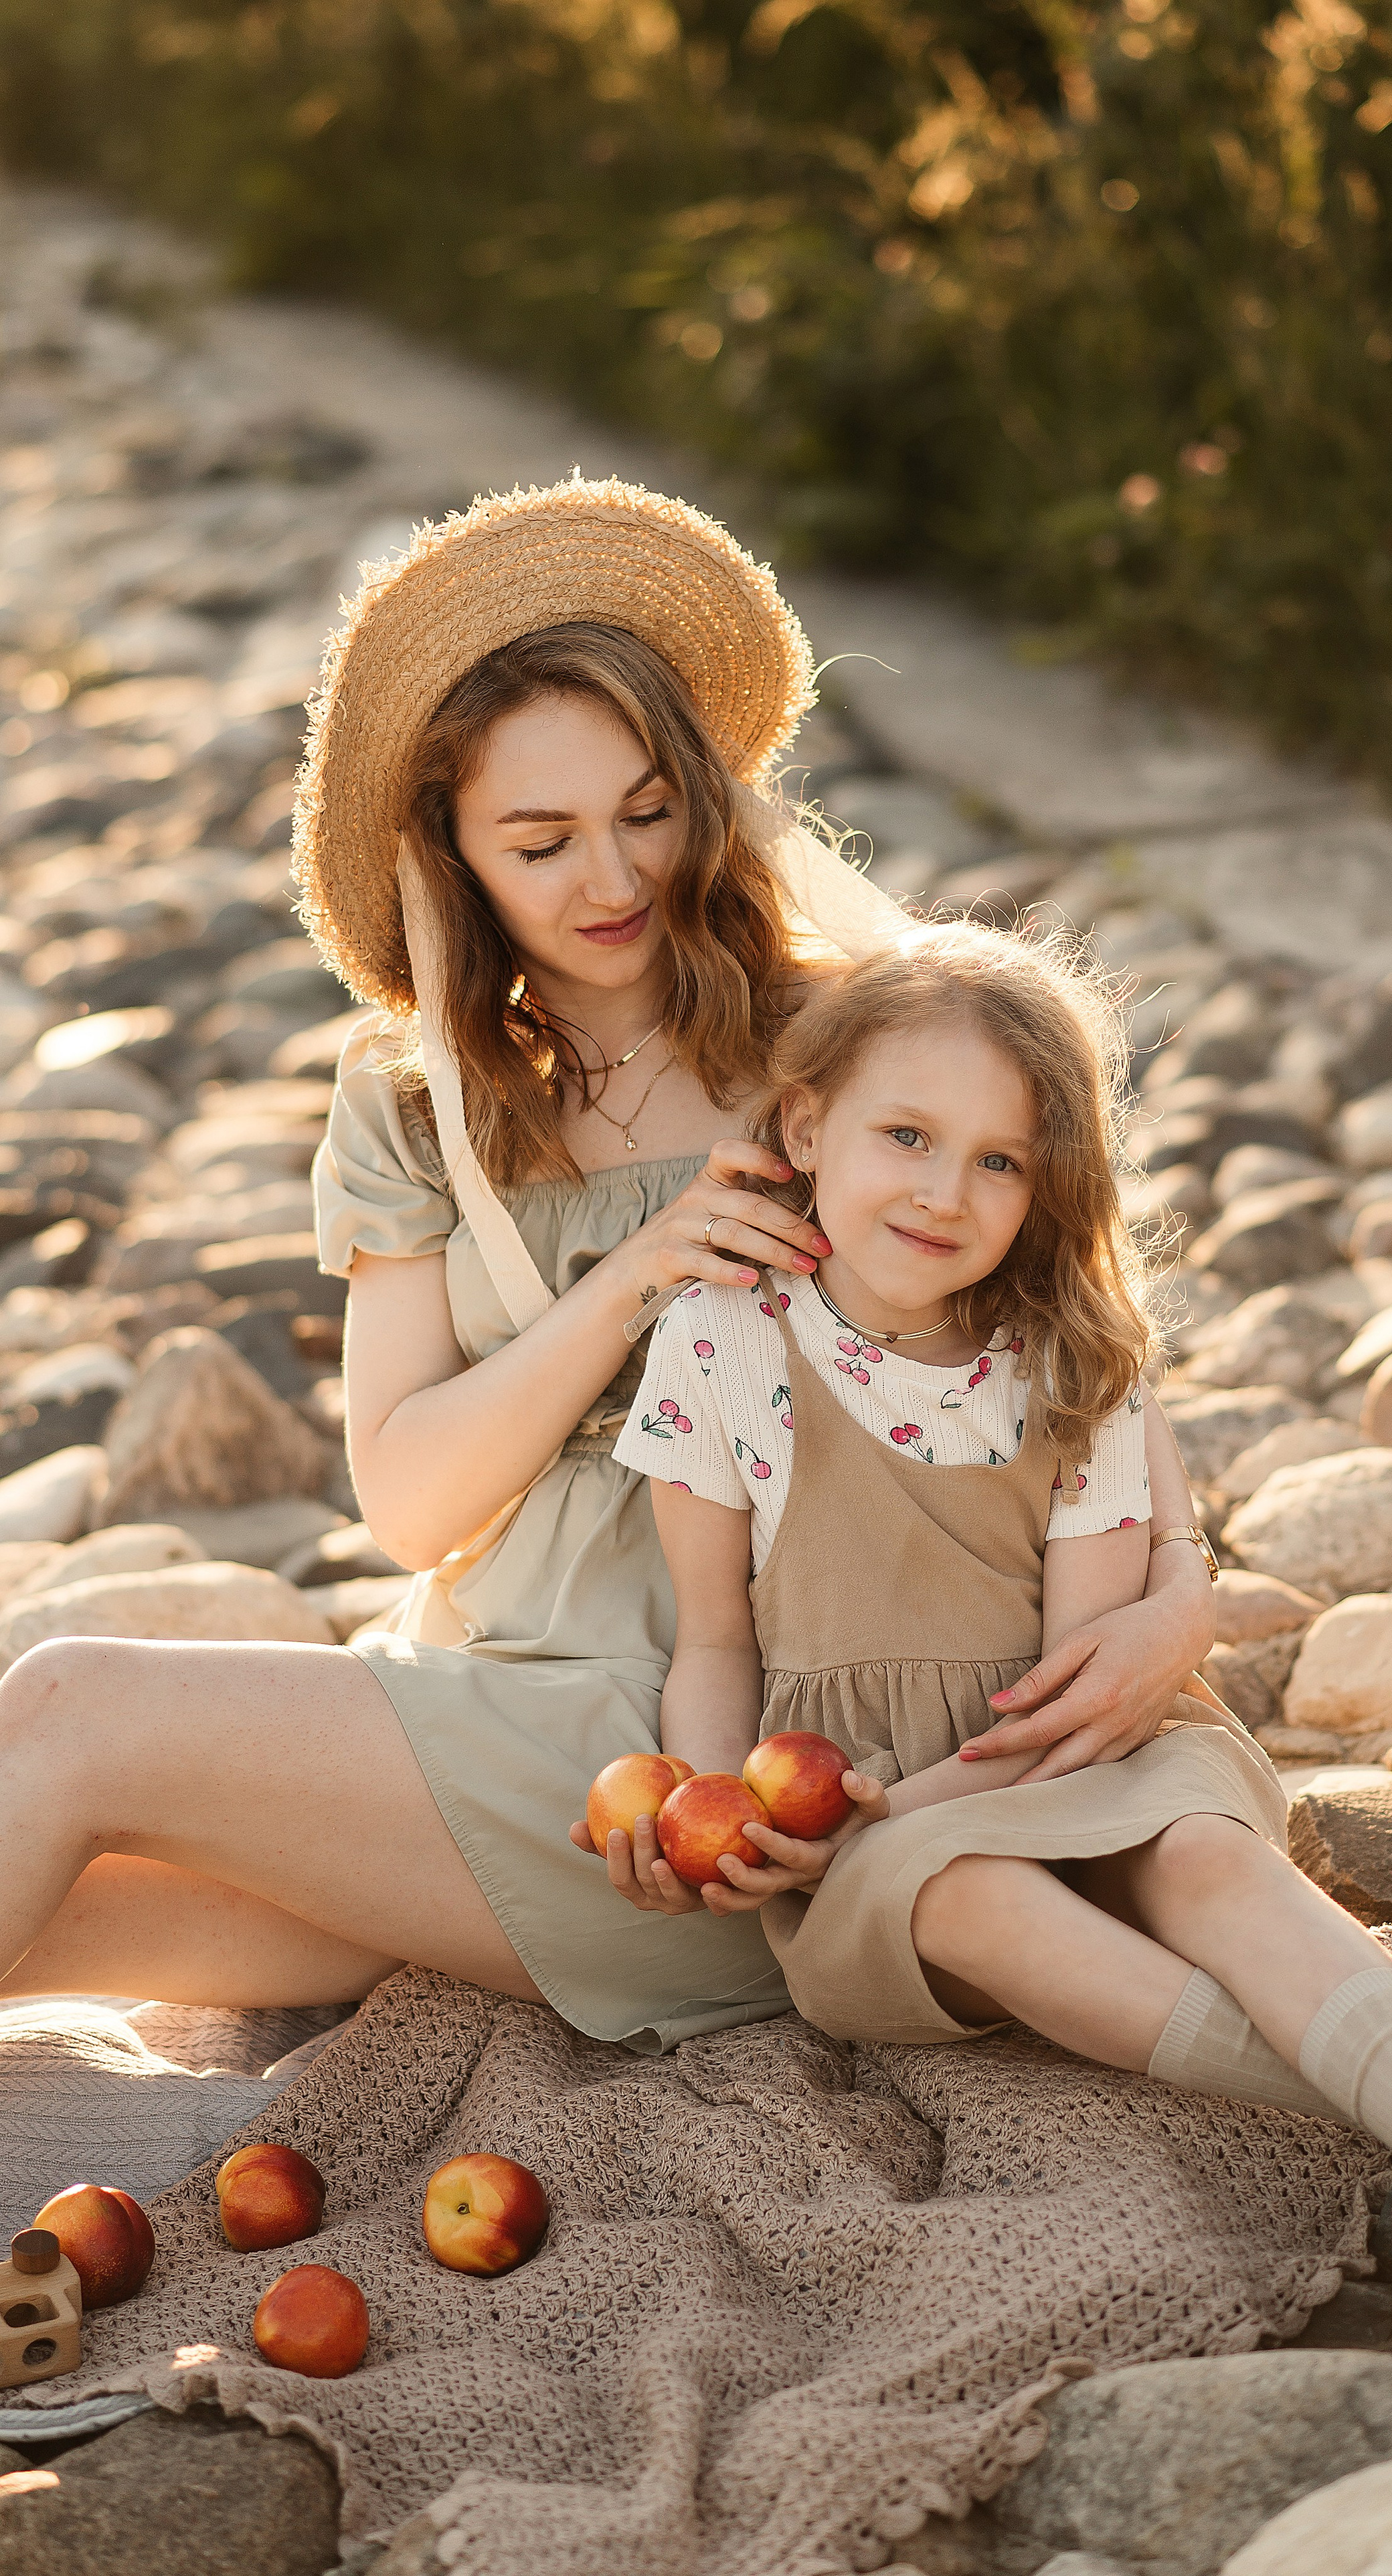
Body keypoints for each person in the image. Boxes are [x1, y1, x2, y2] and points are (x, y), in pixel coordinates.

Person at [0, 479, 1215, 2048]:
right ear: (447, 849)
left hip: (716, 1727)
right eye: (539, 839)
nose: (611, 879)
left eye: (646, 811)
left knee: (72, 1706)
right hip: (498, 1690)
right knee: (60, 1898)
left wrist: (1181, 1598)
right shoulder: (416, 1100)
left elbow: (1077, 1341)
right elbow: (411, 1500)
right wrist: (634, 1274)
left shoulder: (836, 1042)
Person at [598, 922, 1392, 2352]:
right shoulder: (722, 1342)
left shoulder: (1069, 1359)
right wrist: (712, 1807)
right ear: (806, 1122)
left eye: (999, 1159)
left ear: (1050, 1182)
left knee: (1208, 1855)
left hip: (1072, 1745)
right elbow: (715, 1639)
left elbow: (1079, 1694)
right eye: (906, 1134)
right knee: (969, 1898)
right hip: (872, 1822)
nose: (943, 1189)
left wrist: (918, 1801)